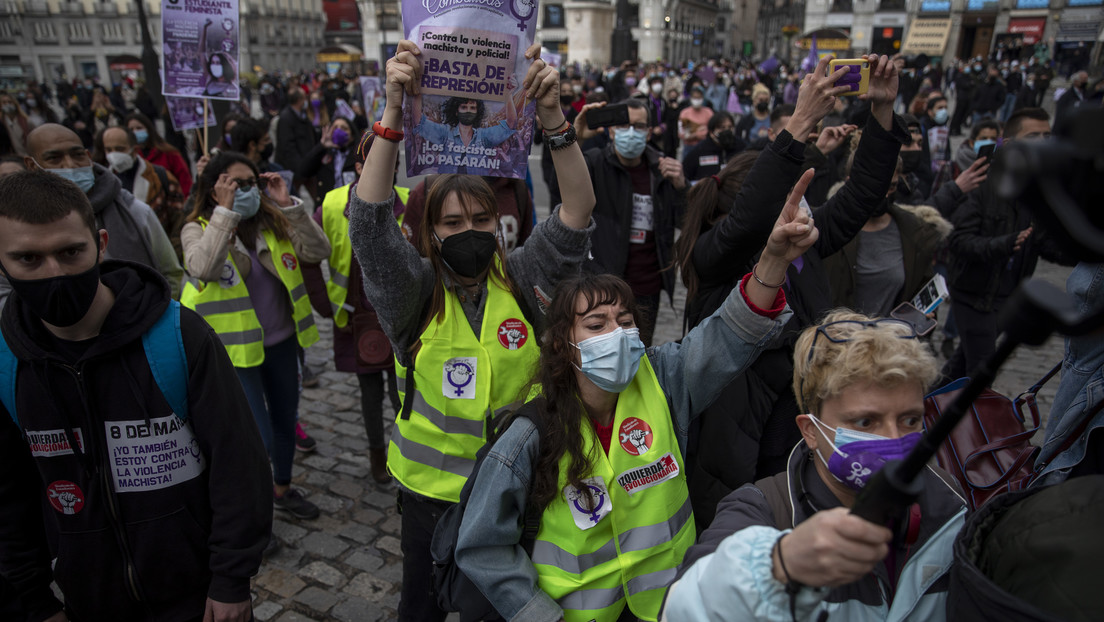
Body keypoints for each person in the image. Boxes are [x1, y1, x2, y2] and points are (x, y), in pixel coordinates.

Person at [455, 190, 815, 621]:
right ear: (563, 347)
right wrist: (536, 614)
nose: (617, 332)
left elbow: (728, 334)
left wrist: (774, 259)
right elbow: (482, 546)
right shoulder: (527, 435)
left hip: (668, 606)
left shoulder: (664, 381)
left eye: (625, 322)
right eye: (596, 324)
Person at [348, 40, 595, 621]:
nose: (470, 231)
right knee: (424, 610)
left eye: (482, 220)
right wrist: (390, 113)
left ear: (501, 226)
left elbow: (578, 209)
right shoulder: (414, 294)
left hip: (517, 494)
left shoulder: (526, 279)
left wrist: (554, 118)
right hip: (429, 501)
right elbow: (370, 227)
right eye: (453, 223)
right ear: (431, 236)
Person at [0, 169, 272, 622]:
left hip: (195, 595)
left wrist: (231, 578)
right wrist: (33, 601)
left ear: (101, 244)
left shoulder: (179, 336)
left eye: (71, 252)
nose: (55, 273)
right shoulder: (7, 364)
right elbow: (8, 497)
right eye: (29, 259)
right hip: (84, 601)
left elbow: (237, 462)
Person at [663, 311, 967, 621]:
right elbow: (683, 607)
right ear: (810, 431)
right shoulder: (764, 510)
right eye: (865, 421)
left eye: (910, 420)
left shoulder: (950, 501)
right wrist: (778, 565)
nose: (893, 438)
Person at [180, 152, 331, 520]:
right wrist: (224, 214)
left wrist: (287, 204)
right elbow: (204, 268)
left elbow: (318, 250)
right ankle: (253, 505)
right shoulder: (197, 228)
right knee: (255, 438)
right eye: (236, 183)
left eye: (252, 183)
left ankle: (281, 489)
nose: (247, 190)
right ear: (216, 188)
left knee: (284, 423)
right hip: (233, 354)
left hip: (282, 344)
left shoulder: (272, 224)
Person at [942, 107, 1074, 381]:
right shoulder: (982, 179)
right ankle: (965, 421)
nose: (1042, 141)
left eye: (1047, 135)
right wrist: (1006, 243)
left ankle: (931, 404)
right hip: (973, 295)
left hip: (1007, 295)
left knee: (961, 367)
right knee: (981, 374)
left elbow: (1045, 243)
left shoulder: (1039, 186)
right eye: (1033, 135)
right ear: (1011, 142)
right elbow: (958, 241)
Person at [302, 133, 402, 485]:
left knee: (403, 392)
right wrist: (324, 306)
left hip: (401, 321)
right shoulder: (329, 205)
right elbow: (308, 254)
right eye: (374, 164)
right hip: (355, 319)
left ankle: (405, 452)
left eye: (390, 165)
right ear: (358, 167)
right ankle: (377, 453)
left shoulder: (409, 203)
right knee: (371, 393)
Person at [575, 97, 687, 346]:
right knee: (603, 355)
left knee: (641, 353)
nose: (631, 132)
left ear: (648, 133)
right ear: (612, 130)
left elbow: (684, 221)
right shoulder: (594, 162)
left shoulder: (662, 169)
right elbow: (558, 185)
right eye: (624, 125)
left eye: (638, 126)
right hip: (605, 285)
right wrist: (575, 139)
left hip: (648, 286)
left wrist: (681, 187)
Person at [23, 124, 183, 297]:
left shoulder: (134, 210)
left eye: (77, 155)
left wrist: (158, 315)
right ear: (32, 165)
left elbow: (171, 274)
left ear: (89, 156)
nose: (70, 165)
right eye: (54, 158)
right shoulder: (20, 222)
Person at [823, 155, 951, 317]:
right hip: (839, 339)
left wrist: (919, 317)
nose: (884, 195)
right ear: (850, 183)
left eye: (891, 187)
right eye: (876, 186)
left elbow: (921, 289)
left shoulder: (913, 231)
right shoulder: (829, 228)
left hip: (892, 339)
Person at [409, 90, 524, 176]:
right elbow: (418, 122)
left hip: (475, 191)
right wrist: (417, 92)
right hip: (449, 189)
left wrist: (508, 95)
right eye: (464, 107)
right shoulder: (445, 133)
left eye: (472, 107)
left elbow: (510, 124)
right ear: (456, 112)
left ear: (477, 112)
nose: (468, 111)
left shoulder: (484, 136)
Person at [125, 113, 193, 197]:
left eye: (139, 128)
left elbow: (185, 180)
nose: (135, 132)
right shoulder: (128, 157)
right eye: (131, 129)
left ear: (148, 129)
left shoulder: (169, 153)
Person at [299, 117, 359, 204]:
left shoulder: (357, 156)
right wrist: (321, 146)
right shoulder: (324, 152)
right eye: (335, 128)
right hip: (326, 206)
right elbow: (303, 171)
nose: (339, 131)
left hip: (349, 206)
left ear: (352, 136)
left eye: (344, 128)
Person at [682, 111, 745, 182]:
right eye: (722, 128)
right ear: (712, 133)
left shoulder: (741, 147)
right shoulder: (700, 150)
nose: (727, 131)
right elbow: (685, 175)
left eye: (730, 127)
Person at [275, 89, 318, 186]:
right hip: (295, 167)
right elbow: (287, 146)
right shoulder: (286, 118)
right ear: (299, 100)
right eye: (305, 98)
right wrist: (300, 166)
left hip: (307, 163)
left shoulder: (303, 114)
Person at [678, 85, 714, 150]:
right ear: (691, 98)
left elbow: (712, 130)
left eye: (699, 98)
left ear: (703, 98)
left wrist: (695, 131)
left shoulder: (708, 112)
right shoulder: (685, 113)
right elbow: (683, 134)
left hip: (705, 146)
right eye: (694, 98)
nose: (696, 100)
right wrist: (697, 133)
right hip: (689, 147)